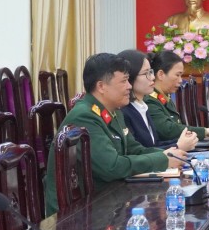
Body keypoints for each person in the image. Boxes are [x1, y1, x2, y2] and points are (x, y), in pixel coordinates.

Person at [44, 53, 188, 215]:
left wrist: (169, 155)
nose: (129, 86)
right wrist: (162, 160)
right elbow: (112, 167)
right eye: (123, 81)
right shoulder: (85, 116)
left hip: (106, 199)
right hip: (77, 213)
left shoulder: (113, 111)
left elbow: (135, 149)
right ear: (101, 86)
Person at [118, 49, 198, 150]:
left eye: (151, 72)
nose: (152, 77)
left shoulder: (142, 106)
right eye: (146, 73)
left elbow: (154, 145)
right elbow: (138, 152)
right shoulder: (124, 111)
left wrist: (185, 141)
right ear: (130, 77)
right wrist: (178, 146)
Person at [145, 50, 209, 142]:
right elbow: (169, 130)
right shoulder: (150, 100)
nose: (180, 80)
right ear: (161, 74)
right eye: (177, 75)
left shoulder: (165, 97)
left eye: (181, 75)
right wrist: (206, 131)